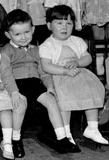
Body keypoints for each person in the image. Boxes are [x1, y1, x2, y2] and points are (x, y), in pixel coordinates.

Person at [0, 8, 80, 157]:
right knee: (20, 105)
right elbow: (6, 73)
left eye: (26, 32)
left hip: (35, 84)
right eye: (17, 34)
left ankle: (61, 137)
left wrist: (49, 87)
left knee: (51, 101)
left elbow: (43, 71)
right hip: (18, 85)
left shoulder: (37, 49)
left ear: (33, 29)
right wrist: (14, 92)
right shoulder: (6, 51)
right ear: (7, 34)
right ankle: (15, 140)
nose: (23, 37)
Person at [39, 5, 109, 145]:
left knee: (92, 90)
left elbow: (87, 57)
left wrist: (77, 62)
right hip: (60, 76)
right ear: (49, 25)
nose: (64, 27)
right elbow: (46, 66)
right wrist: (65, 70)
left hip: (80, 74)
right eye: (59, 23)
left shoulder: (77, 41)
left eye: (69, 23)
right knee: (65, 100)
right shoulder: (47, 45)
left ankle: (92, 127)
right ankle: (66, 132)